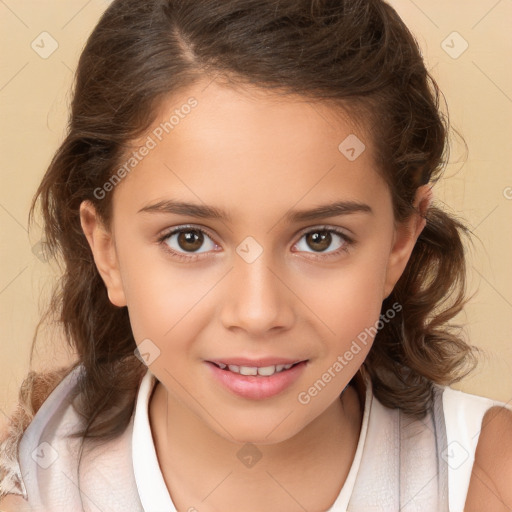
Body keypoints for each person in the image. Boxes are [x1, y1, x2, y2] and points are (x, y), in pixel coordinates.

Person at [0, 0, 511, 510]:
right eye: (190, 239)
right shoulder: (32, 493)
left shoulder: (491, 478)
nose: (258, 313)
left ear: (400, 242)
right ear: (106, 249)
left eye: (320, 239)